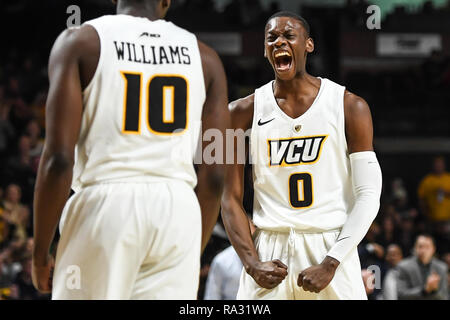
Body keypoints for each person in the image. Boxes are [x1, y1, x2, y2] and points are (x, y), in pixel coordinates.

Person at [32, 0, 230, 299]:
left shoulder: (80, 41)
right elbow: (216, 175)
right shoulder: (207, 59)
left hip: (106, 204)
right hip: (179, 209)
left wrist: (40, 254)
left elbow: (58, 160)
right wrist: (189, 246)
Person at [221, 11, 382, 300]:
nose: (279, 42)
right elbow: (228, 196)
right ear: (265, 50)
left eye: (288, 36)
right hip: (270, 247)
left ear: (308, 45)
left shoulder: (350, 106)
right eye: (272, 38)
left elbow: (369, 194)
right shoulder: (239, 112)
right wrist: (251, 263)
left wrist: (333, 261)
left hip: (332, 244)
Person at [396, 234, 448, 300]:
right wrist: (425, 290)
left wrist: (433, 291)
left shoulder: (442, 268)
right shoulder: (403, 266)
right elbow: (401, 295)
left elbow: (444, 296)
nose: (423, 251)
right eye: (420, 246)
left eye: (427, 247)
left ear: (433, 249)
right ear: (415, 248)